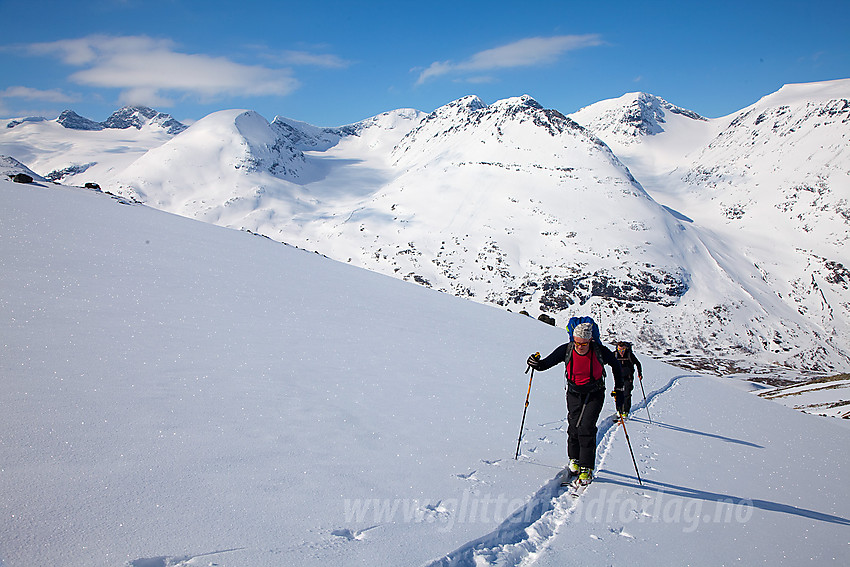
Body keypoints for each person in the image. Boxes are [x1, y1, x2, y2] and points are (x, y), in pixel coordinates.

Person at [526, 322, 624, 485]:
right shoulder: (567, 349)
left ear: (590, 340)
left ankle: (586, 467)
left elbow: (616, 366)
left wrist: (619, 389)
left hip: (595, 393)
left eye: (583, 343)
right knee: (573, 426)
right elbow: (545, 364)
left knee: (586, 427)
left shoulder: (600, 351)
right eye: (577, 342)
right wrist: (535, 363)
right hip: (573, 393)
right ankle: (574, 459)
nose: (579, 346)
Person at [613, 341, 643, 419]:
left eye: (622, 350)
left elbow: (638, 363)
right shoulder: (615, 354)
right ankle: (619, 410)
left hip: (628, 377)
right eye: (619, 350)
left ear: (625, 348)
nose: (621, 352)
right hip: (618, 377)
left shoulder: (629, 355)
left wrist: (640, 374)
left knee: (626, 394)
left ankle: (625, 411)